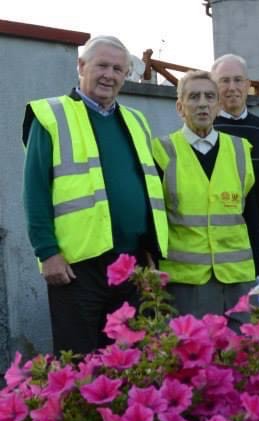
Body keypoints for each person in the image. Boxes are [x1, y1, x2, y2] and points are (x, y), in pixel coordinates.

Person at [22, 35, 167, 355]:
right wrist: (47, 252)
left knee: (133, 361)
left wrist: (150, 251)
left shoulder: (136, 120)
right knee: (79, 364)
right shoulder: (51, 115)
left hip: (131, 265)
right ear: (81, 66)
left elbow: (147, 187)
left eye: (119, 69)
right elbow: (35, 191)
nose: (110, 75)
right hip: (76, 268)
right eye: (102, 65)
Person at [152, 70, 257, 324]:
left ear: (219, 105)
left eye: (210, 97)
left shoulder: (240, 149)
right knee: (193, 357)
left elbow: (252, 217)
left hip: (238, 279)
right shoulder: (160, 151)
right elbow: (153, 220)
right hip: (186, 281)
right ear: (180, 107)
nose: (202, 104)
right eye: (194, 97)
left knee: (242, 355)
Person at [211, 54, 259, 279]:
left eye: (238, 80)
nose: (232, 87)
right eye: (224, 81)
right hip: (220, 248)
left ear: (248, 84)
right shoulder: (206, 130)